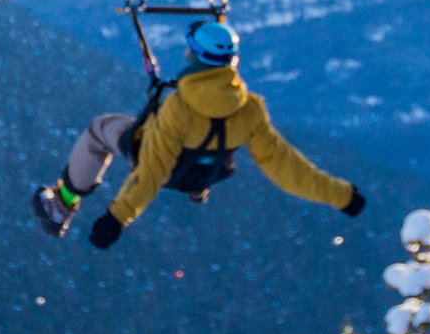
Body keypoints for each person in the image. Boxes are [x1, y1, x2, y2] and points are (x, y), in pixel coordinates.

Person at [34, 18, 367, 246]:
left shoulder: (180, 108)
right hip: (206, 174)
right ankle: (196, 187)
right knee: (199, 150)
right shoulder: (249, 109)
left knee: (100, 130)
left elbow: (152, 169)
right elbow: (287, 168)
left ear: (194, 56)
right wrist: (341, 195)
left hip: (165, 164)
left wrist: (117, 218)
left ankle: (62, 206)